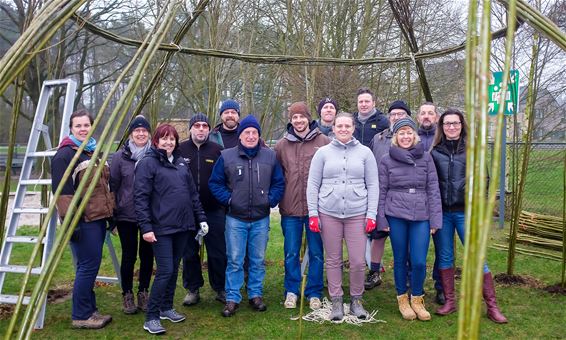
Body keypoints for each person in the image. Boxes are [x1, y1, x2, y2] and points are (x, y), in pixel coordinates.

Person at [431, 109, 508, 323]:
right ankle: (450, 301)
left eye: (455, 123)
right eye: (447, 124)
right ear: (442, 127)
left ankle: (492, 307)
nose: (451, 127)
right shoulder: (435, 152)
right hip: (443, 214)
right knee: (445, 257)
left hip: (466, 214)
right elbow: (430, 184)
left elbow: (484, 181)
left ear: (462, 125)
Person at [135, 124, 209, 335]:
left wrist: (201, 219)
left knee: (174, 268)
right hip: (161, 228)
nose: (168, 142)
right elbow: (140, 198)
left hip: (183, 227)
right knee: (165, 270)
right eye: (164, 138)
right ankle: (151, 316)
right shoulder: (148, 164)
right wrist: (146, 227)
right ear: (156, 141)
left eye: (172, 139)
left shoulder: (180, 163)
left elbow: (193, 195)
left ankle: (166, 307)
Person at [209, 115, 285, 317]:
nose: (250, 136)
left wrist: (270, 200)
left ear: (259, 136)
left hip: (260, 218)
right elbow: (215, 183)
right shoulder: (227, 156)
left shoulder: (269, 157)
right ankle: (233, 297)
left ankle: (255, 295)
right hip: (235, 218)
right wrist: (229, 200)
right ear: (240, 135)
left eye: (254, 133)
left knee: (258, 260)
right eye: (247, 132)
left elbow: (279, 183)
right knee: (234, 259)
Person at [306, 112, 379, 321]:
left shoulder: (365, 153)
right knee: (333, 259)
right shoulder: (323, 153)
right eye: (340, 126)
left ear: (353, 128)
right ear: (334, 128)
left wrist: (371, 214)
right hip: (328, 213)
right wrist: (313, 213)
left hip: (357, 213)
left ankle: (356, 299)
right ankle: (336, 300)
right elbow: (313, 184)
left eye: (348, 126)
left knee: (357, 261)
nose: (344, 129)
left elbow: (373, 185)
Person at [52, 109, 114, 329]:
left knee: (89, 266)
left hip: (97, 218)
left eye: (86, 125)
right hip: (82, 221)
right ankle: (81, 315)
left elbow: (106, 186)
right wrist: (71, 223)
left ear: (91, 126)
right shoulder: (65, 155)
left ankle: (90, 309)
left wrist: (111, 212)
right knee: (87, 267)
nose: (82, 129)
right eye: (78, 126)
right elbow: (63, 194)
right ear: (71, 128)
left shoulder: (93, 152)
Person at [377, 117, 442, 321]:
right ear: (395, 136)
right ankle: (402, 298)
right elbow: (381, 190)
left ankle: (417, 298)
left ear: (414, 135)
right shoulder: (386, 159)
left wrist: (435, 220)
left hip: (421, 214)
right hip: (395, 213)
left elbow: (433, 189)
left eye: (408, 132)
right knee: (400, 259)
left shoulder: (426, 158)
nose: (405, 136)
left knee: (419, 261)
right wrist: (382, 219)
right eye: (401, 133)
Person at [274, 102, 330, 310]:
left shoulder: (323, 141)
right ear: (290, 120)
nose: (298, 121)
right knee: (291, 252)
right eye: (294, 117)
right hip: (290, 209)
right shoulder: (281, 145)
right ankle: (292, 290)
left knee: (316, 252)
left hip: (316, 209)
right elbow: (277, 176)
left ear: (309, 118)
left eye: (301, 117)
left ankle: (314, 291)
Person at [178, 113, 227, 306]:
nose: (200, 129)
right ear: (190, 128)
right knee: (189, 252)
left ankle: (220, 287)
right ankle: (192, 288)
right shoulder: (180, 150)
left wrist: (223, 203)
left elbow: (227, 179)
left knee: (218, 252)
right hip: (187, 212)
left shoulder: (218, 151)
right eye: (197, 125)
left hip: (214, 210)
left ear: (209, 129)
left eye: (204, 126)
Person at [110, 115, 154, 314]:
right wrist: (113, 217)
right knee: (129, 256)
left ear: (149, 133)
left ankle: (143, 291)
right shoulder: (120, 156)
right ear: (131, 134)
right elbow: (113, 186)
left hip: (150, 214)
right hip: (126, 214)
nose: (141, 133)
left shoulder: (155, 154)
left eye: (144, 130)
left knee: (147, 256)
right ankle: (127, 293)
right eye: (137, 130)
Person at [366, 100, 411, 290]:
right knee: (378, 235)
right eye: (393, 114)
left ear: (407, 116)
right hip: (381, 194)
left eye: (400, 114)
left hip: (404, 197)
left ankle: (407, 275)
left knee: (406, 237)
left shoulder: (410, 139)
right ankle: (374, 272)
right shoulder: (378, 139)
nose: (396, 117)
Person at [416, 102, 444, 305]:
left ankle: (441, 286)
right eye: (423, 113)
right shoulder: (411, 138)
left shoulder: (442, 139)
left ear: (436, 117)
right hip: (416, 201)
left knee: (443, 247)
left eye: (430, 113)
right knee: (414, 248)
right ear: (418, 117)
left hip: (440, 200)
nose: (426, 116)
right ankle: (413, 285)